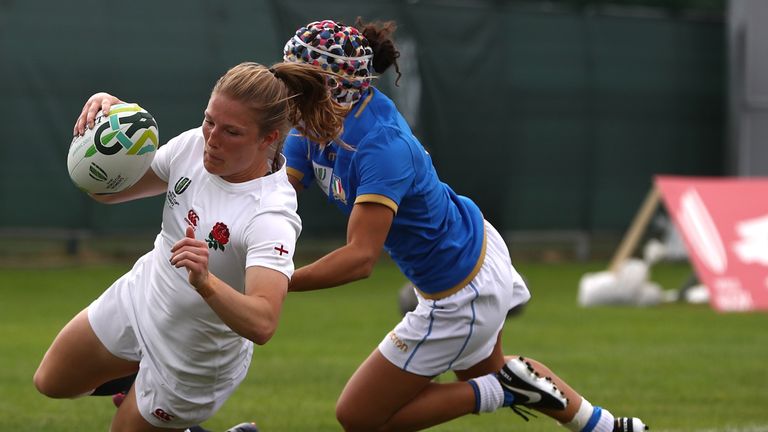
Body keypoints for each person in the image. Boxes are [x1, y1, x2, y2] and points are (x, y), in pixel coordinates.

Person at [279, 19, 650, 432]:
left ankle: (509, 390)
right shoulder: (313, 124)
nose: (286, 96)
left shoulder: (380, 146)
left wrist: (277, 280)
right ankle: (610, 427)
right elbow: (274, 198)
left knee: (360, 416)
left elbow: (359, 259)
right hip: (466, 253)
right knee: (488, 374)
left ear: (335, 89)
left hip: (460, 288)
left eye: (299, 84)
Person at [34, 61, 347, 432]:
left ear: (268, 139)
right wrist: (109, 131)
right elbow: (108, 192)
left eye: (231, 132)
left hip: (194, 354)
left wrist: (205, 282)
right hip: (141, 297)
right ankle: (144, 381)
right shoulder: (192, 146)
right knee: (52, 381)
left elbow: (263, 323)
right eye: (209, 120)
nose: (212, 139)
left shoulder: (269, 215)